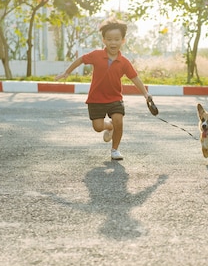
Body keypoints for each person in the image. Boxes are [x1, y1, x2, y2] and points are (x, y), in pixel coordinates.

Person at [55, 17, 151, 161]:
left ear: (122, 41)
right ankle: (109, 126)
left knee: (119, 120)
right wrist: (67, 72)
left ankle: (115, 150)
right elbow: (81, 59)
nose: (113, 42)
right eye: (109, 39)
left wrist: (145, 94)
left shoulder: (124, 62)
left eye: (117, 39)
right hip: (96, 98)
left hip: (115, 98)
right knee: (98, 127)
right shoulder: (96, 55)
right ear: (104, 40)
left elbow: (135, 78)